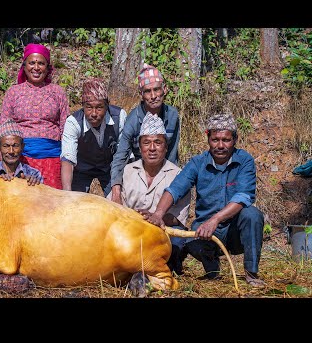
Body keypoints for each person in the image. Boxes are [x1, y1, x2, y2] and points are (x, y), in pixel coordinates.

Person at [141, 113, 266, 287]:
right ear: (208, 138)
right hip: (205, 231)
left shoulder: (244, 160)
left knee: (252, 214)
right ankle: (212, 268)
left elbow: (243, 196)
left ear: (235, 140)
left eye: (226, 140)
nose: (220, 145)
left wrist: (215, 219)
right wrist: (158, 214)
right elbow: (175, 189)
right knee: (190, 241)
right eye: (215, 140)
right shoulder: (198, 162)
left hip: (233, 230)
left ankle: (251, 273)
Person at [107, 112, 190, 274]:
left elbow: (178, 218)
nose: (152, 148)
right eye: (147, 143)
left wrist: (153, 217)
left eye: (158, 143)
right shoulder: (128, 171)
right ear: (140, 147)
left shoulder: (178, 175)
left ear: (166, 148)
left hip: (163, 234)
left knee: (176, 244)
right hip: (132, 233)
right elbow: (114, 208)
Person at [0, 43, 70, 189]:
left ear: (48, 68)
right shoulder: (14, 92)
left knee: (51, 202)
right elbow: (4, 128)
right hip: (20, 159)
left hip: (52, 158)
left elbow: (65, 129)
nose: (36, 68)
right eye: (32, 63)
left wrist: (66, 161)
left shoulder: (58, 92)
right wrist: (4, 163)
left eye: (41, 63)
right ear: (24, 67)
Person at [109, 63, 180, 205]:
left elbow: (172, 154)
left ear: (164, 90)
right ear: (141, 95)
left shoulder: (172, 116)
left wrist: (172, 185)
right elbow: (121, 155)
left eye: (157, 90)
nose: (153, 96)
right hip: (139, 169)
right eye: (148, 91)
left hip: (163, 169)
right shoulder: (133, 119)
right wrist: (116, 188)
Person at [60, 77, 127, 196]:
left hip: (110, 169)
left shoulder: (119, 117)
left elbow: (123, 154)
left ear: (107, 106)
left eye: (99, 107)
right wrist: (67, 194)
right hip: (81, 169)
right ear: (83, 106)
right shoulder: (73, 122)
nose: (94, 113)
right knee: (75, 204)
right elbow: (68, 159)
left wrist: (117, 193)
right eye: (89, 107)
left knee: (118, 203)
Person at [0, 118, 43, 185]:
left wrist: (31, 187)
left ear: (22, 147)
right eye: (6, 146)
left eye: (15, 146)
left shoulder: (34, 175)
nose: (11, 151)